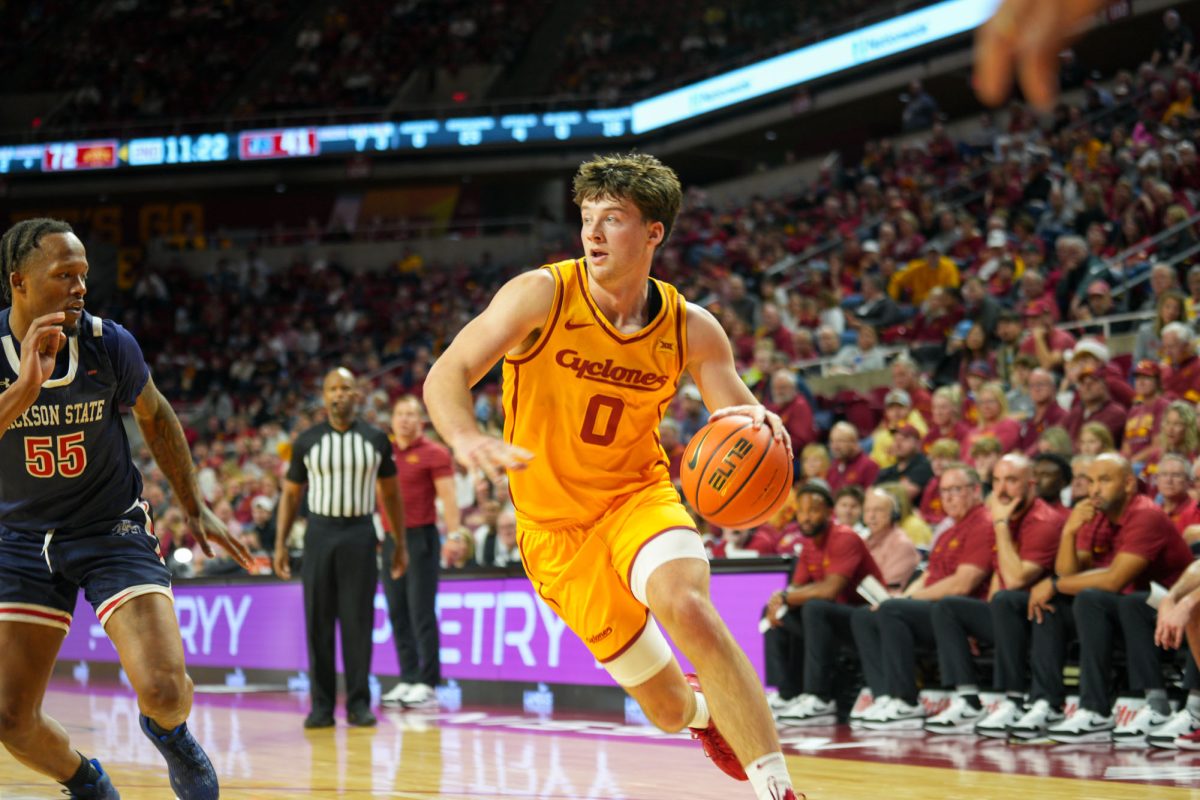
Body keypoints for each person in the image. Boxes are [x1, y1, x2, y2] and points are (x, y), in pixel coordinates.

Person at [423, 153, 798, 800]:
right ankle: (706, 714)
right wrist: (465, 437)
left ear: (654, 232)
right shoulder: (541, 293)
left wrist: (767, 430)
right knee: (667, 709)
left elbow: (739, 414)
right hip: (555, 533)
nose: (592, 234)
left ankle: (779, 789)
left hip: (637, 498)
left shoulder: (691, 328)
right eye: (587, 218)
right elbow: (446, 373)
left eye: (613, 219)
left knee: (688, 607)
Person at [0, 219, 253, 800]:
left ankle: (170, 733)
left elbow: (156, 415)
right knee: (11, 720)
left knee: (166, 689)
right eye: (64, 275)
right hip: (20, 540)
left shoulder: (108, 342)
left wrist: (194, 506)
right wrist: (25, 387)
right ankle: (85, 781)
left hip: (110, 528)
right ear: (19, 282)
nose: (80, 287)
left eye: (83, 274)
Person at [1013, 455, 1192, 742]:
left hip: (1172, 602)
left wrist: (1056, 584)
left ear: (1129, 483)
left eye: (1105, 480)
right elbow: (1069, 571)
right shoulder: (1098, 517)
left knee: (1100, 598)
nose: (1095, 489)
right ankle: (1053, 703)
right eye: (1091, 481)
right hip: (1124, 605)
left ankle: (1135, 706)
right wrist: (1070, 531)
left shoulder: (1145, 514)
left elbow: (1114, 579)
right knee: (1055, 607)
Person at [274, 367, 408, 730]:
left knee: (358, 622)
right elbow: (290, 495)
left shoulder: (376, 439)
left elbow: (392, 494)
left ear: (357, 396)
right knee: (318, 620)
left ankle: (359, 704)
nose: (338, 395)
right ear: (324, 395)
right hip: (319, 533)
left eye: (345, 388)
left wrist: (399, 542)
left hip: (360, 534)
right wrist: (280, 543)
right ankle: (321, 706)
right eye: (332, 388)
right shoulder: (306, 441)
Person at [923, 455, 1062, 736]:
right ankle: (968, 699)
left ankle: (1014, 700)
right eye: (997, 481)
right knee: (949, 608)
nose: (1002, 490)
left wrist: (999, 524)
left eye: (1011, 481)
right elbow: (999, 577)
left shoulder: (1041, 520)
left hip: (1047, 612)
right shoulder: (1008, 518)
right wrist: (980, 623)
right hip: (1011, 611)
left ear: (1031, 484)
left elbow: (1015, 579)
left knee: (1004, 601)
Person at [851, 464, 995, 729]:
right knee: (865, 616)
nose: (948, 497)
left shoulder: (983, 524)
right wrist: (901, 598)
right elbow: (928, 577)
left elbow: (963, 583)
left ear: (976, 490)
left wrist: (903, 602)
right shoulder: (948, 530)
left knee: (894, 610)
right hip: (938, 611)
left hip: (967, 612)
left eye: (956, 490)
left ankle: (907, 702)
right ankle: (884, 695)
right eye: (944, 491)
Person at [767, 483, 886, 726]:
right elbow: (797, 588)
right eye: (801, 511)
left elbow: (830, 590)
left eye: (813, 510)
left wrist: (788, 596)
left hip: (865, 617)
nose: (806, 517)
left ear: (829, 512)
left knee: (814, 607)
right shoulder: (809, 543)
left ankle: (819, 698)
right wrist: (779, 600)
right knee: (778, 612)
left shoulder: (845, 538)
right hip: (830, 620)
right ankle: (788, 693)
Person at [380, 395, 459, 709]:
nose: (405, 420)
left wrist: (454, 535)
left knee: (420, 611)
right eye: (400, 414)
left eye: (411, 414)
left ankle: (428, 682)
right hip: (390, 539)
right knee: (397, 610)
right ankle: (408, 676)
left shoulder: (435, 453)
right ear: (392, 420)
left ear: (421, 421)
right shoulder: (384, 454)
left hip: (421, 539)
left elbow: (449, 499)